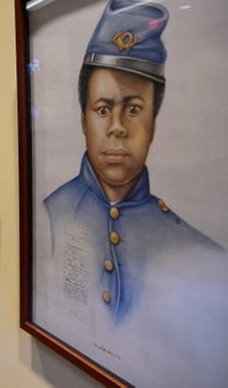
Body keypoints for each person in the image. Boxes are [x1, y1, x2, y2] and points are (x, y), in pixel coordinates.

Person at [34, 1, 228, 386]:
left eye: (134, 109)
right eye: (103, 109)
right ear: (83, 119)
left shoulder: (205, 259)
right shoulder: (47, 215)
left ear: (154, 121)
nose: (118, 127)